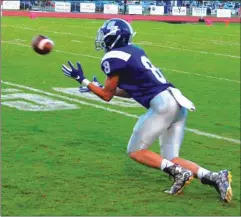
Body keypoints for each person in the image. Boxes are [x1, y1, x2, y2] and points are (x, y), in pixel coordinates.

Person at [62, 18, 232, 202]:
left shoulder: (113, 57)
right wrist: (96, 86)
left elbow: (106, 95)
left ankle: (180, 174)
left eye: (105, 35)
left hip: (163, 105)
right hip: (176, 101)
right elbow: (131, 91)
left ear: (113, 38)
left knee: (135, 150)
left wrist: (83, 80)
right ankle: (215, 177)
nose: (102, 38)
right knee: (170, 158)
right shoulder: (135, 51)